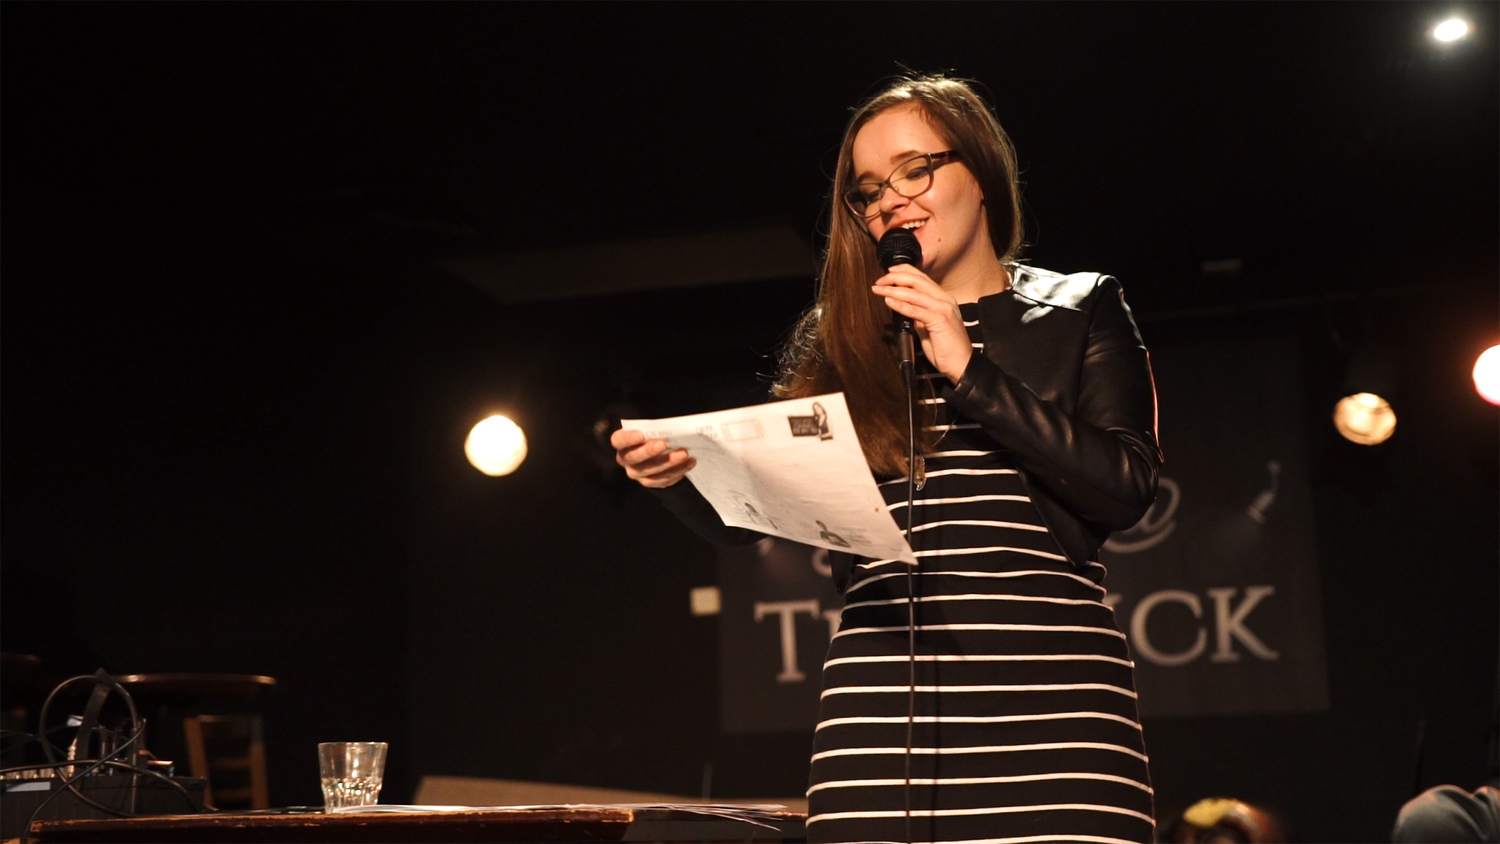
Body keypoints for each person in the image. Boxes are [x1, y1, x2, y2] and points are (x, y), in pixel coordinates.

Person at [613, 74, 1162, 844]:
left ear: (980, 172)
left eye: (914, 170)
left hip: (1055, 721)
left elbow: (1125, 488)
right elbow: (752, 521)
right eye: (869, 191)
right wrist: (677, 477)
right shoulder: (842, 335)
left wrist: (970, 370)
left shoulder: (1081, 308)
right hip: (879, 723)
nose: (891, 203)